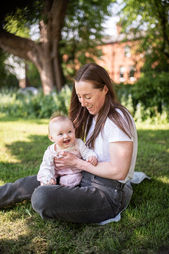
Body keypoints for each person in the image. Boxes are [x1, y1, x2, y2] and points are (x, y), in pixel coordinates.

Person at [0, 63, 137, 224]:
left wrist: (77, 163)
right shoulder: (95, 115)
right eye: (79, 96)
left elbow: (119, 172)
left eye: (88, 96)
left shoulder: (117, 118)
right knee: (28, 183)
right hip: (85, 177)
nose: (83, 103)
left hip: (108, 194)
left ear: (105, 89)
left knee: (42, 196)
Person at [37, 114, 97, 187]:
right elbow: (46, 165)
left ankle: (64, 187)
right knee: (45, 174)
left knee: (73, 179)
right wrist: (48, 177)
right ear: (52, 138)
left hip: (72, 172)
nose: (66, 136)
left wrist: (91, 156)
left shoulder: (78, 144)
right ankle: (50, 182)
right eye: (60, 134)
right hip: (56, 172)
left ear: (74, 131)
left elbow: (86, 152)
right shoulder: (51, 151)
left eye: (69, 131)